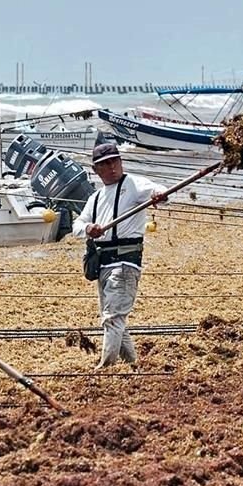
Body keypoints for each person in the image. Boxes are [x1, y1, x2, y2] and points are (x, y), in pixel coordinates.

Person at [73, 143, 167, 370]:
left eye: (115, 161)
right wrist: (89, 229)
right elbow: (77, 225)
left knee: (113, 318)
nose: (112, 167)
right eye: (105, 164)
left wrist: (158, 195)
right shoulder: (95, 198)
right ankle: (132, 364)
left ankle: (106, 368)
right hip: (102, 264)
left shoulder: (133, 185)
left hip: (125, 263)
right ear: (96, 170)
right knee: (115, 319)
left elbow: (158, 192)